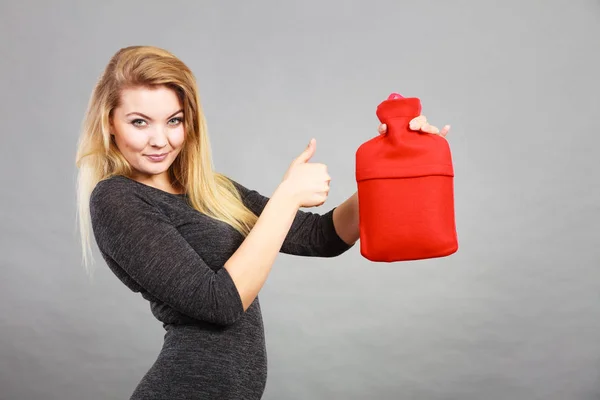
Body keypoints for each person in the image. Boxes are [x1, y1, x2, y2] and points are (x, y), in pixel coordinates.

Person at [74, 45, 450, 400]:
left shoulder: (209, 189)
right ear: (109, 123)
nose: (160, 140)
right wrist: (287, 197)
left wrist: (392, 168)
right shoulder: (116, 199)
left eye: (174, 121)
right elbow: (219, 302)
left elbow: (320, 237)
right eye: (139, 122)